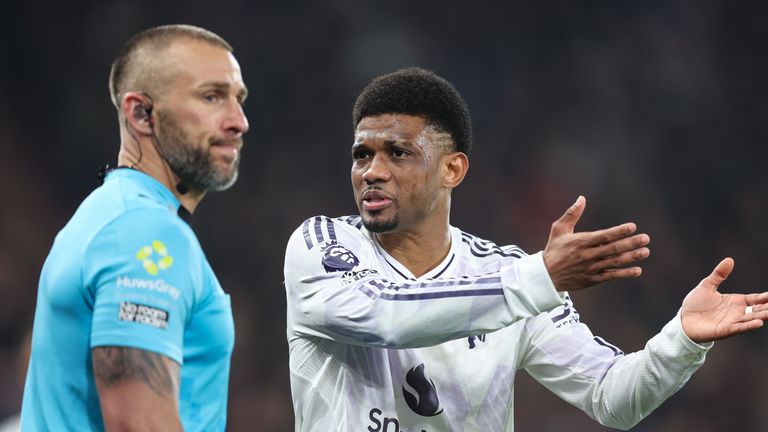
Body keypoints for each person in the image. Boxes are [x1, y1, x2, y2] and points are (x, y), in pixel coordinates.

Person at [283, 67, 768, 431]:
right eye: (362, 154)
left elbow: (612, 397)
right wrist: (540, 279)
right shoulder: (322, 245)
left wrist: (681, 341)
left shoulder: (511, 272)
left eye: (398, 153)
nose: (372, 171)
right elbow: (387, 315)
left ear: (452, 170)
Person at [21, 24, 248, 431]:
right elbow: (138, 425)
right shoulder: (145, 232)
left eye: (238, 99)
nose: (239, 121)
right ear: (141, 114)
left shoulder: (109, 215)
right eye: (211, 97)